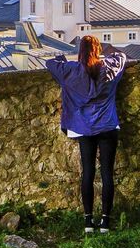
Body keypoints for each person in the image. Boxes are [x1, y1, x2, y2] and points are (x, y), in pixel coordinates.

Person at [45, 36, 128, 234]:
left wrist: (62, 59)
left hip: (83, 127)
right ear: (97, 50)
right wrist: (105, 55)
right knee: (107, 173)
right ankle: (105, 222)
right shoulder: (108, 68)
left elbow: (50, 64)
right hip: (107, 125)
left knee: (88, 172)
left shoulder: (71, 71)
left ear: (80, 51)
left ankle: (88, 221)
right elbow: (121, 57)